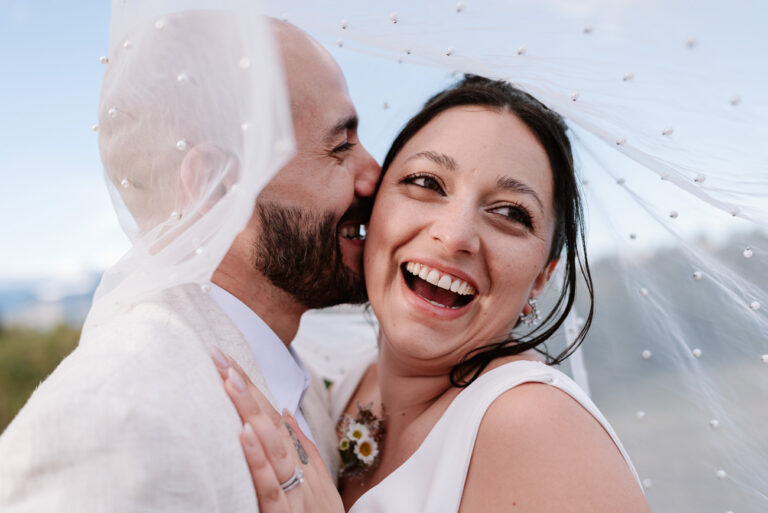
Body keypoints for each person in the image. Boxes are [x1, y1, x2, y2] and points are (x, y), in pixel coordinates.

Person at [0, 6, 379, 511]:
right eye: (340, 145)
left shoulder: (299, 382)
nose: (374, 174)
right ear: (217, 186)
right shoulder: (115, 424)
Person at [215, 76, 652, 512]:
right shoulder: (340, 383)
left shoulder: (535, 426)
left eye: (509, 213)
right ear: (373, 204)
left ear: (542, 276)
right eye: (427, 183)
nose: (455, 235)